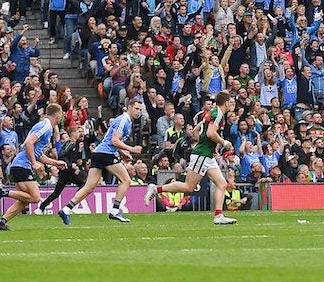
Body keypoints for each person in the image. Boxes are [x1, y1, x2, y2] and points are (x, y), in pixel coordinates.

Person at [144, 91, 238, 225]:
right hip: (202, 155)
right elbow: (211, 133)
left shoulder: (210, 113)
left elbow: (196, 131)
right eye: (231, 102)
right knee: (188, 187)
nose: (232, 105)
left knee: (222, 183)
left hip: (207, 154)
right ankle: (156, 189)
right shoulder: (218, 114)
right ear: (227, 102)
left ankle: (218, 215)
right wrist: (224, 142)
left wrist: (207, 146)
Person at [58, 98, 143, 224]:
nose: (138, 112)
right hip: (105, 154)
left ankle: (66, 209)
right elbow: (114, 141)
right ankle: (115, 211)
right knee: (126, 180)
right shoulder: (123, 120)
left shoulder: (125, 120)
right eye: (136, 109)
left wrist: (123, 152)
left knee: (89, 186)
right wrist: (131, 149)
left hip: (99, 153)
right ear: (129, 108)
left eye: (140, 110)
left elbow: (109, 140)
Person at [0, 103, 67, 231]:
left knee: (25, 199)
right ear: (58, 116)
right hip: (22, 166)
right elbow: (28, 143)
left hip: (19, 165)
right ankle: (3, 192)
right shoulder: (45, 126)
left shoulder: (45, 127)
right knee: (36, 197)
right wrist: (33, 163)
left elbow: (38, 153)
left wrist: (55, 162)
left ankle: (1, 222)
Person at [39, 124, 90, 211]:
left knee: (57, 192)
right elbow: (61, 154)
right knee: (83, 185)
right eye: (78, 132)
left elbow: (74, 158)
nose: (80, 134)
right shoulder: (70, 143)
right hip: (67, 170)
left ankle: (41, 208)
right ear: (73, 133)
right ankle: (73, 205)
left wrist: (77, 161)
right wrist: (71, 165)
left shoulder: (76, 144)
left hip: (66, 171)